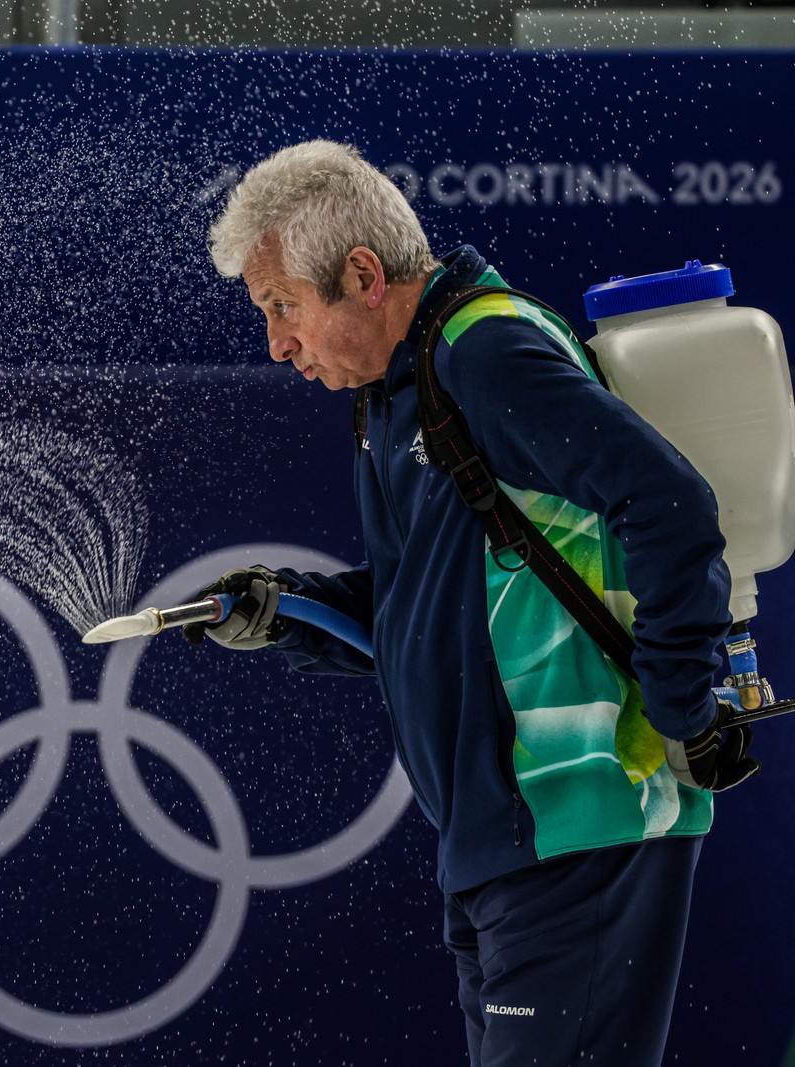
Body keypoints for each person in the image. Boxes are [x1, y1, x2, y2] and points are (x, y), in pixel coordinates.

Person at [187, 139, 760, 1066]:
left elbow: (668, 503)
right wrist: (285, 612)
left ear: (363, 275)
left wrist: (684, 706)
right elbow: (421, 607)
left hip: (581, 819)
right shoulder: (392, 397)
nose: (277, 343)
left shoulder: (483, 351)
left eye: (283, 308)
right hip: (497, 842)